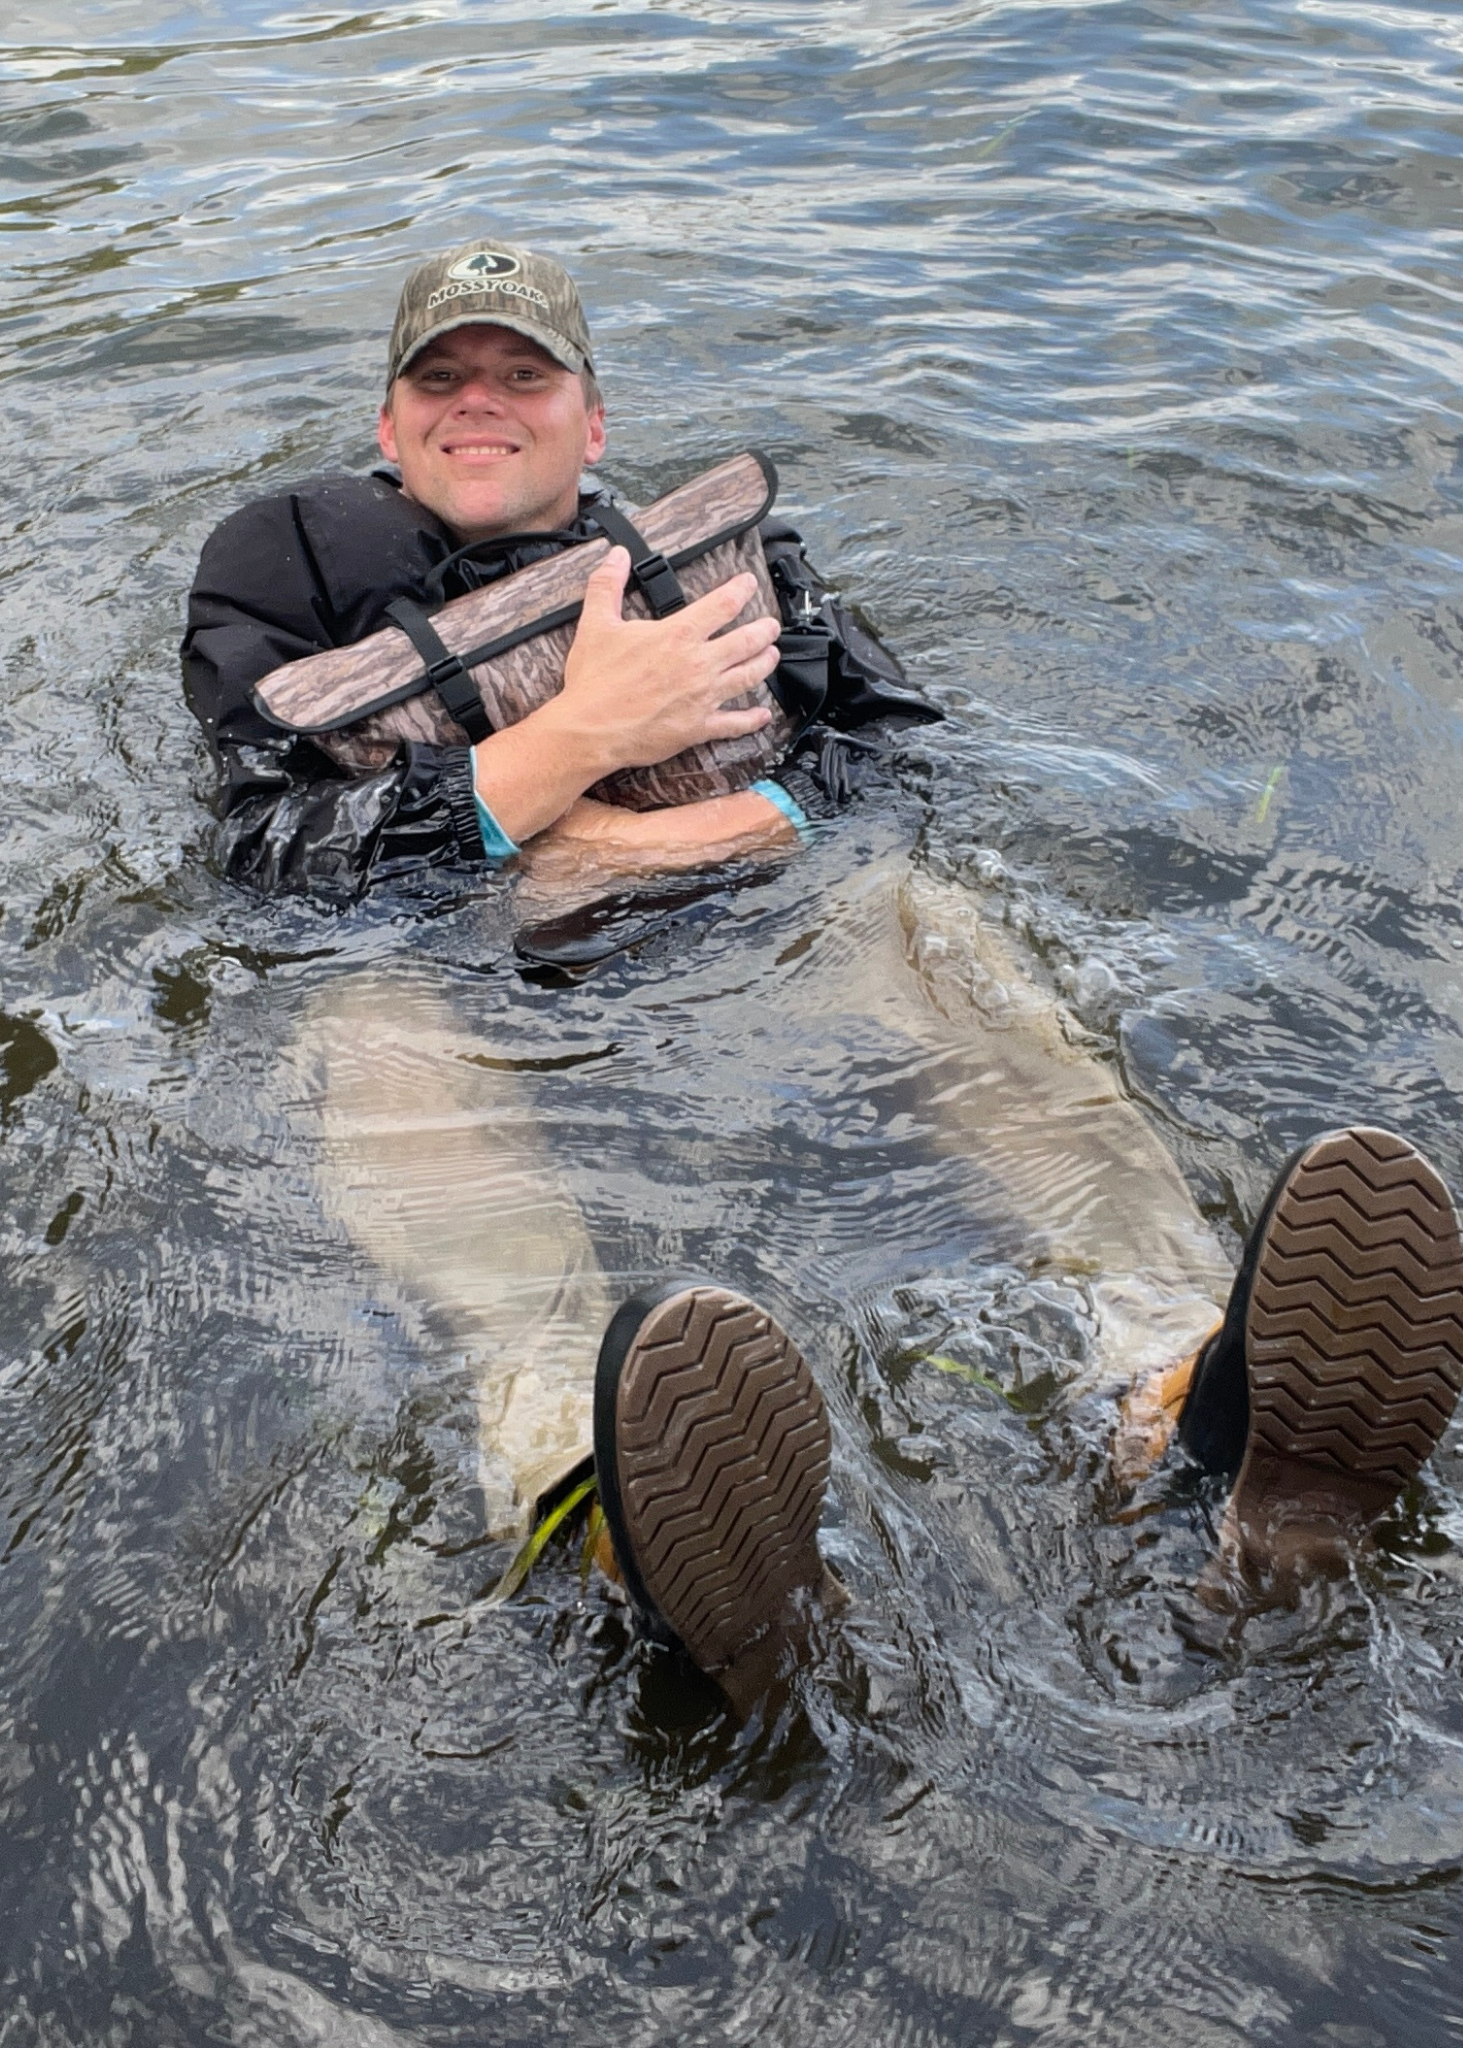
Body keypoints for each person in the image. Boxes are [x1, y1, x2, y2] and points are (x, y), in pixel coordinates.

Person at [181, 236, 1463, 1715]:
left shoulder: (728, 559)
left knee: (917, 924)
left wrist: (718, 827)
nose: (483, 401)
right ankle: (605, 1514)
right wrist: (587, 735)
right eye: (442, 378)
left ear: (590, 423)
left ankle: (1189, 1393)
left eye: (523, 375)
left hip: (750, 929)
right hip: (443, 971)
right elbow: (266, 857)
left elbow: (892, 748)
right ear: (390, 424)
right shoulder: (280, 572)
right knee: (369, 1042)